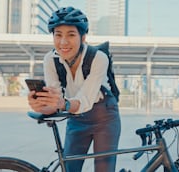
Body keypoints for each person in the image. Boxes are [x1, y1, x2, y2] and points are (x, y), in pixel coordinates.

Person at [27, 6, 121, 172]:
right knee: (69, 168)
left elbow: (83, 100)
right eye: (58, 35)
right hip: (76, 118)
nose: (63, 42)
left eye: (71, 35)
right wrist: (42, 105)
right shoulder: (51, 60)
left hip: (104, 116)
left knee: (104, 169)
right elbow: (55, 101)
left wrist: (62, 104)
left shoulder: (98, 58)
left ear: (83, 37)